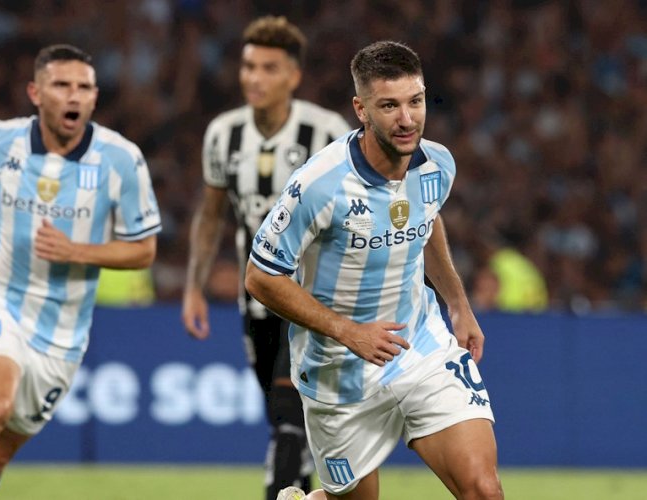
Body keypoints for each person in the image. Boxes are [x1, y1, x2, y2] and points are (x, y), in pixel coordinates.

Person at [246, 40, 504, 500]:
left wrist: (458, 305)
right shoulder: (319, 184)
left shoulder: (437, 164)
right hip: (337, 371)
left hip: (421, 347)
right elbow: (260, 276)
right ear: (361, 109)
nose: (407, 119)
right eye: (389, 105)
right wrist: (348, 332)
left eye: (415, 101)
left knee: (483, 490)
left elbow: (426, 220)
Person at [0, 44, 162, 499]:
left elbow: (144, 251)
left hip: (62, 332)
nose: (74, 96)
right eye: (61, 85)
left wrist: (76, 251)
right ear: (35, 93)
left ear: (95, 97)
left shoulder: (121, 159)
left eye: (84, 87)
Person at [181, 16, 351, 500]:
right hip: (256, 298)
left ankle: (280, 490)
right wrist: (194, 287)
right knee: (284, 419)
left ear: (293, 75)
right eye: (249, 66)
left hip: (316, 298)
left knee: (288, 410)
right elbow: (212, 215)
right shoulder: (223, 135)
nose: (254, 78)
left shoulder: (327, 132)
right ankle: (302, 486)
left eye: (268, 68)